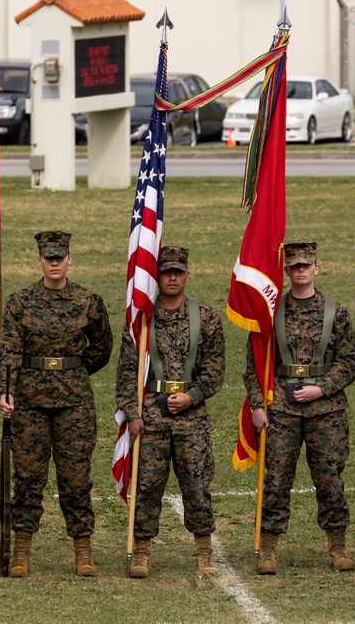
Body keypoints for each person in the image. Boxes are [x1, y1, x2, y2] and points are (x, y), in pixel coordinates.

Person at [0, 230, 113, 578]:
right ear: (40, 261)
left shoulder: (88, 301)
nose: (55, 263)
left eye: (60, 257)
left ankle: (83, 547)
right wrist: (6, 389)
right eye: (49, 258)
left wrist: (74, 371)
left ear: (69, 260)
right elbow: (8, 349)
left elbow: (102, 346)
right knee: (28, 477)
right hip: (29, 401)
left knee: (76, 477)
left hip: (74, 402)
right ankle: (21, 549)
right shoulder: (20, 302)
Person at [246, 242, 355, 575]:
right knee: (276, 479)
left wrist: (321, 388)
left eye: (306, 265)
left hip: (326, 409)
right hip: (280, 407)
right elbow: (254, 363)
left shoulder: (335, 312)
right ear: (286, 271)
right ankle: (268, 550)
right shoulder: (270, 312)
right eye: (294, 266)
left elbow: (350, 361)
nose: (300, 271)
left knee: (330, 479)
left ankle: (337, 549)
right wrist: (257, 404)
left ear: (316, 268)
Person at [115, 246, 226, 579]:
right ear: (157, 276)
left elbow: (215, 370)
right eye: (166, 272)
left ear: (188, 275)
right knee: (147, 486)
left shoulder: (206, 318)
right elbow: (126, 374)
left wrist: (191, 397)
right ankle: (142, 552)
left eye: (178, 272)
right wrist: (133, 415)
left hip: (191, 419)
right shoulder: (141, 321)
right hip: (150, 417)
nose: (173, 278)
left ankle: (204, 553)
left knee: (197, 485)